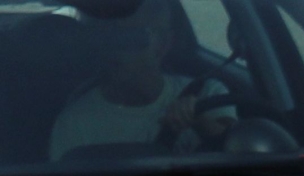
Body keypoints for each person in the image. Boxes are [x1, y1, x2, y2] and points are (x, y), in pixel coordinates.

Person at [51, 0, 234, 160]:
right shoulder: (75, 123)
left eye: (129, 38)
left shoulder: (208, 95)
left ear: (162, 45)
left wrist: (200, 122)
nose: (116, 49)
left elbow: (240, 154)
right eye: (108, 37)